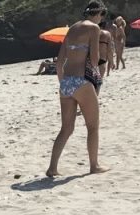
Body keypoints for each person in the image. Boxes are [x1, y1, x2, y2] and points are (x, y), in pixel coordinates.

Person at [47, 1, 109, 177]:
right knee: (93, 127)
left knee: (66, 128)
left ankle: (52, 168)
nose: (101, 19)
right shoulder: (94, 29)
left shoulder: (72, 28)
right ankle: (94, 165)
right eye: (102, 15)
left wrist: (63, 83)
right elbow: (96, 61)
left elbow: (59, 63)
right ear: (99, 13)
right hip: (82, 81)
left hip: (66, 82)